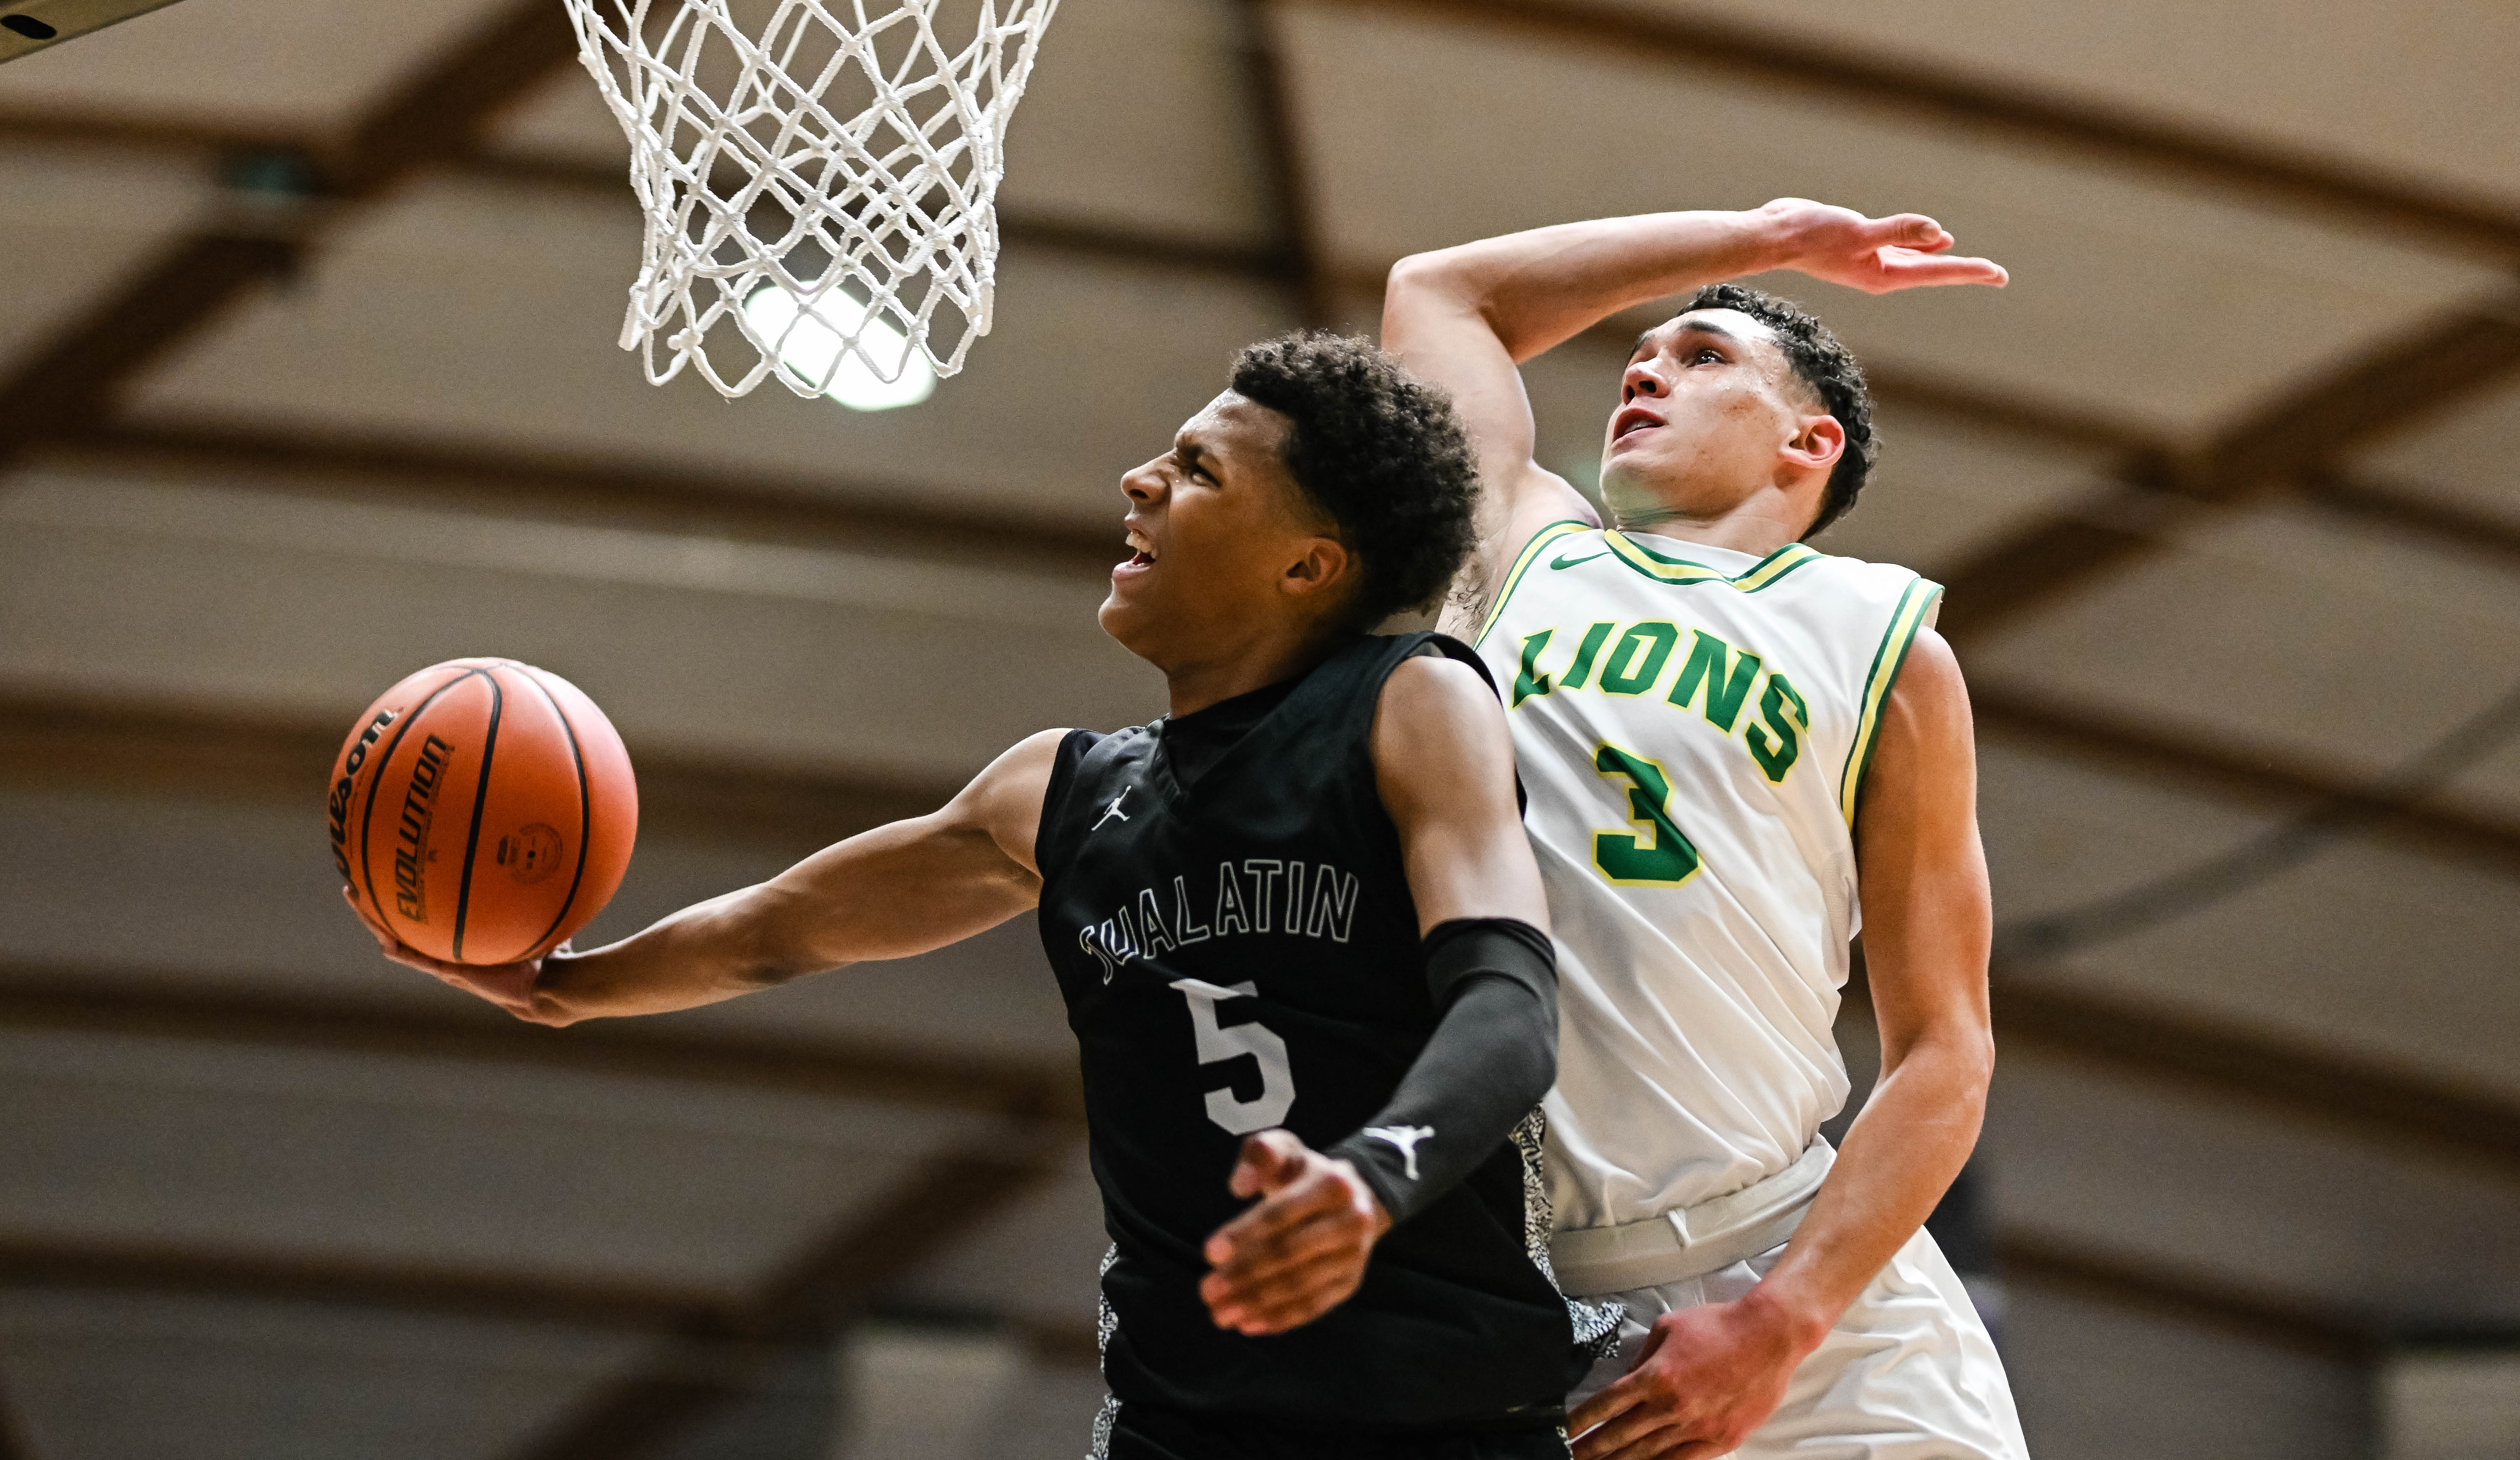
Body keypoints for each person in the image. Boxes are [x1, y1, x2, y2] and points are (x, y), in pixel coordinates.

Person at [350, 334, 1617, 1460]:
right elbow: (776, 933)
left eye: (1199, 470)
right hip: (1187, 1430)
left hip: (1447, 1420)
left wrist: (1373, 1179)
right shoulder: (1055, 795)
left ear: (1309, 568)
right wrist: (565, 990)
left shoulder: (1407, 700)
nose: (1140, 480)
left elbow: (1508, 1000)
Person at [1382, 198, 2029, 1460]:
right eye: (1641, 359)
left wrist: (1783, 1321)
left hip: (1797, 1275)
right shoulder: (1528, 550)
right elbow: (1442, 292)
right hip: (1526, 1302)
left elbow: (1946, 1053)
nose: (1646, 370)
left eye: (1704, 357)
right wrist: (1769, 235)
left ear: (1810, 440)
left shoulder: (1884, 639)